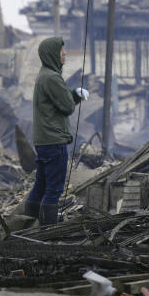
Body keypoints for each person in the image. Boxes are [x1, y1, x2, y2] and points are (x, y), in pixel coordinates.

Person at [23, 37, 88, 225]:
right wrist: (75, 95)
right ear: (52, 54)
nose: (65, 53)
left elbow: (59, 102)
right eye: (61, 51)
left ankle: (27, 224)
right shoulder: (52, 77)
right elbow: (67, 106)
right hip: (54, 140)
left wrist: (74, 95)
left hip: (43, 141)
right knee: (54, 189)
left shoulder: (44, 74)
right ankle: (48, 231)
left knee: (40, 186)